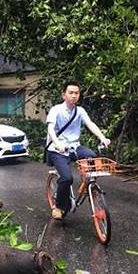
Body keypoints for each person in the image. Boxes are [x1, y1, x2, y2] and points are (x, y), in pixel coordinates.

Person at [46, 80, 111, 219]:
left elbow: (90, 124)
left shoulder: (80, 111)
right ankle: (60, 207)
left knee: (92, 156)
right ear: (64, 95)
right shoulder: (56, 110)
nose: (74, 95)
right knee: (67, 178)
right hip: (58, 150)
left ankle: (87, 184)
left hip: (74, 146)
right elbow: (50, 129)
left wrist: (102, 137)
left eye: (76, 93)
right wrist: (57, 143)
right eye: (71, 93)